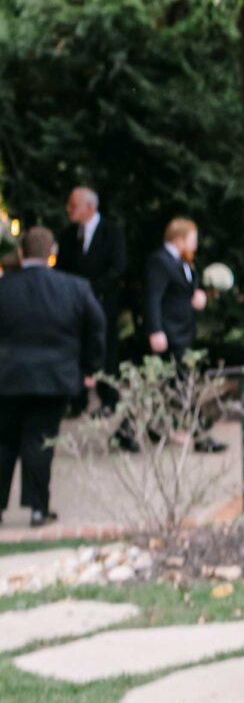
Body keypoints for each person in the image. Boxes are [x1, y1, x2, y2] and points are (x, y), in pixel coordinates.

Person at [0, 225, 104, 526]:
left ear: (22, 253)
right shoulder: (75, 287)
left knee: (4, 442)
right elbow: (97, 328)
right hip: (54, 377)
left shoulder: (4, 288)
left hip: (7, 376)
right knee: (40, 441)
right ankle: (37, 508)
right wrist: (90, 368)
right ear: (52, 254)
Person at [143, 216, 225, 453]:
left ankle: (142, 427)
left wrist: (198, 298)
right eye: (192, 239)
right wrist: (155, 330)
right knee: (183, 385)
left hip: (184, 330)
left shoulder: (184, 262)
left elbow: (180, 294)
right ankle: (200, 436)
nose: (195, 245)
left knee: (170, 384)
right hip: (169, 333)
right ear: (179, 239)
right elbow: (153, 298)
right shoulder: (160, 261)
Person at [56, 186, 128, 403]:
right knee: (76, 348)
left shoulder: (112, 232)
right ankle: (77, 399)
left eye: (73, 205)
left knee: (106, 347)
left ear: (89, 207)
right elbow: (61, 269)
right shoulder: (68, 235)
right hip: (74, 306)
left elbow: (119, 267)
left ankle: (108, 397)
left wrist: (92, 290)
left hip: (102, 302)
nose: (69, 209)